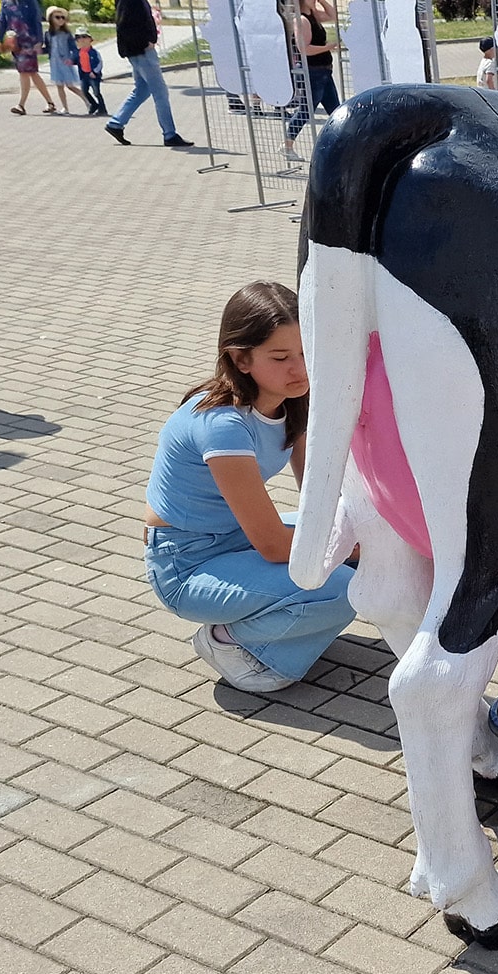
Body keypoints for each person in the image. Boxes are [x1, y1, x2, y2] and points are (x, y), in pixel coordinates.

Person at [143, 282, 354, 692]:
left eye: (306, 352)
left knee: (351, 552)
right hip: (186, 566)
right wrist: (349, 546)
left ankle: (278, 623)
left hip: (237, 542)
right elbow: (273, 545)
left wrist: (362, 532)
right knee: (343, 589)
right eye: (281, 357)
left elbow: (319, 493)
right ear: (240, 359)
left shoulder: (289, 401)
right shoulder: (223, 425)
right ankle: (229, 641)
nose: (301, 369)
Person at [106, 0, 193, 147]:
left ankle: (116, 123)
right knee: (161, 93)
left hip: (137, 50)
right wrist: (147, 40)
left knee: (142, 90)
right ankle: (169, 134)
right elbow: (128, 24)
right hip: (142, 51)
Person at [282, 0, 340, 161]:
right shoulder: (302, 20)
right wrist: (328, 47)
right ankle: (287, 144)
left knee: (336, 109)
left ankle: (342, 142)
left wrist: (322, 2)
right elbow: (304, 48)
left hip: (324, 70)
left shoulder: (313, 15)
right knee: (306, 110)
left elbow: (333, 15)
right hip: (313, 71)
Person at [0, 0, 58, 115]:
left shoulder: (30, 2)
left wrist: (39, 41)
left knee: (25, 72)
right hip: (14, 43)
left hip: (29, 42)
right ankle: (50, 102)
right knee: (31, 73)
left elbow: (36, 21)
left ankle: (21, 105)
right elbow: (1, 21)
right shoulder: (6, 2)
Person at [43, 7, 83, 114]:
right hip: (54, 63)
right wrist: (37, 50)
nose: (61, 20)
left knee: (70, 85)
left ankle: (88, 101)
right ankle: (65, 107)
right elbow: (47, 49)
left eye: (63, 17)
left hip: (65, 62)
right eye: (57, 17)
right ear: (51, 19)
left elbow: (74, 49)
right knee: (59, 86)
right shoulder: (48, 34)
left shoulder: (66, 34)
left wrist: (72, 59)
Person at [73, 30, 106, 116]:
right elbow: (74, 61)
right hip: (83, 75)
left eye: (84, 37)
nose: (81, 39)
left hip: (93, 75)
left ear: (90, 39)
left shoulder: (94, 52)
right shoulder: (78, 52)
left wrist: (94, 72)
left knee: (96, 92)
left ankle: (102, 109)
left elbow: (99, 63)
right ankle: (94, 105)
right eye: (78, 38)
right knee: (84, 91)